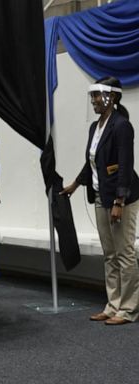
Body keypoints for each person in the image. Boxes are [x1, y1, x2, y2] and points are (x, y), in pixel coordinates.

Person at [61, 76, 139, 326]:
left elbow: (126, 166)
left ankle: (128, 310)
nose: (93, 100)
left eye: (98, 95)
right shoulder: (95, 127)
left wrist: (119, 201)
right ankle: (113, 304)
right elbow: (93, 163)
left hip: (120, 199)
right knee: (109, 254)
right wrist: (75, 184)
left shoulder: (121, 126)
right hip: (100, 197)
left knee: (125, 253)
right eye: (92, 96)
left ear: (112, 97)